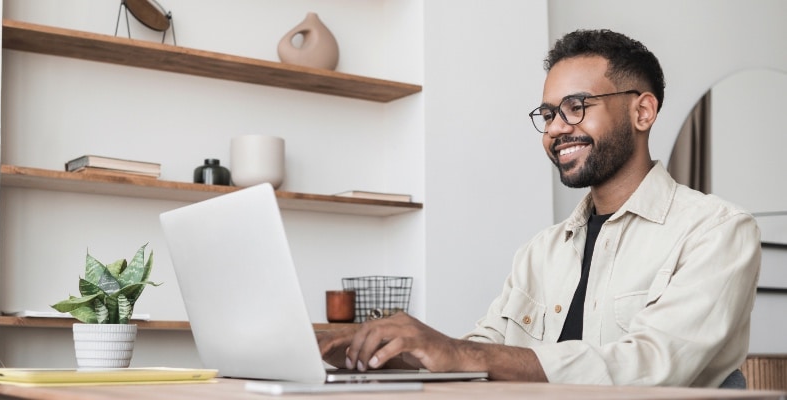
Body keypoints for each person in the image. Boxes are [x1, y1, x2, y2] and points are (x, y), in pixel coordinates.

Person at [317, 29, 761, 387]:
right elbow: (478, 354)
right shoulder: (540, 252)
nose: (556, 129)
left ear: (642, 111)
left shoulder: (717, 232)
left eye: (576, 107)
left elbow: (652, 365)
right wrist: (376, 350)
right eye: (548, 114)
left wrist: (465, 353)